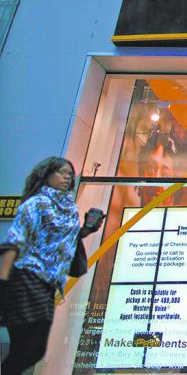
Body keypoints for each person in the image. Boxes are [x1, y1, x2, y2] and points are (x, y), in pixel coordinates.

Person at [0, 157, 104, 375]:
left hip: (49, 283)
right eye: (61, 172)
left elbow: (68, 241)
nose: (67, 177)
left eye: (70, 174)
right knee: (31, 346)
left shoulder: (68, 208)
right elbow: (14, 241)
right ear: (46, 175)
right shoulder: (36, 203)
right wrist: (2, 282)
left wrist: (87, 229)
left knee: (31, 347)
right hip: (26, 277)